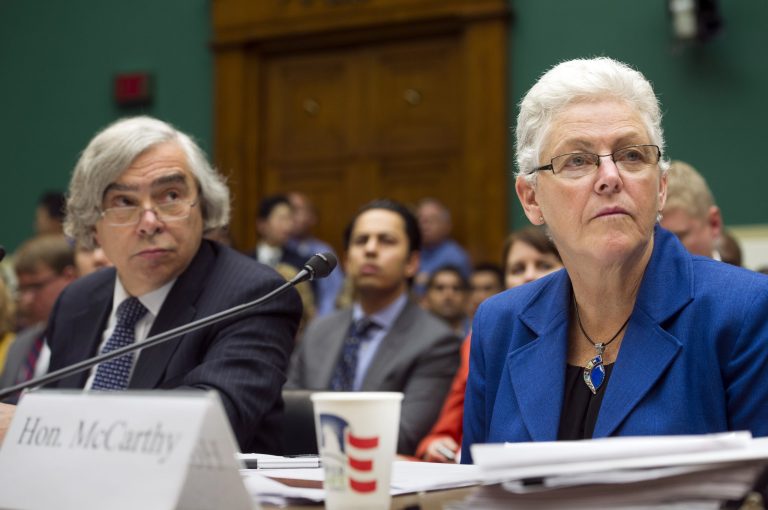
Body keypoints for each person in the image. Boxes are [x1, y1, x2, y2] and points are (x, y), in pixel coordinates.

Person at [462, 57, 768, 464]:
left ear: (660, 188)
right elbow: (475, 493)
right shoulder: (500, 325)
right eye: (577, 160)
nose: (610, 177)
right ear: (531, 199)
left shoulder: (743, 312)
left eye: (631, 156)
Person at [0, 116, 302, 451]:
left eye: (170, 195)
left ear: (202, 205)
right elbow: (55, 403)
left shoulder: (252, 295)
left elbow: (210, 423)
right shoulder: (78, 300)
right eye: (124, 202)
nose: (149, 222)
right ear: (93, 225)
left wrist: (32, 425)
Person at [287, 199, 461, 455]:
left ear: (412, 262)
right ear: (346, 261)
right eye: (361, 241)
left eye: (386, 241)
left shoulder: (436, 341)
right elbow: (285, 417)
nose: (370, 249)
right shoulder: (319, 331)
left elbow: (405, 435)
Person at [417, 227, 562, 462]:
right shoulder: (485, 337)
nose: (528, 276)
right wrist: (436, 443)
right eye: (517, 269)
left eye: (543, 265)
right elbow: (451, 423)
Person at [0, 235, 77, 393]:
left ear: (69, 277)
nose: (26, 299)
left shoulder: (88, 338)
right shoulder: (18, 344)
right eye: (22, 289)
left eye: (35, 287)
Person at [286, 191, 345, 317]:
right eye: (288, 210)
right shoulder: (279, 249)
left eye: (297, 210)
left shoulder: (323, 250)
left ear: (312, 217)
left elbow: (333, 293)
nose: (291, 215)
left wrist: (319, 325)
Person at [660, 160, 723, 259]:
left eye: (677, 238)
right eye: (654, 241)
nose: (661, 252)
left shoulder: (742, 274)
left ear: (714, 223)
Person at [414, 198, 471, 295]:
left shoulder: (455, 257)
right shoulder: (410, 250)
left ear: (446, 226)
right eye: (421, 220)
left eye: (431, 220)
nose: (424, 226)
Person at [422, 265, 471, 336]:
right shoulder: (414, 333)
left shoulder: (476, 334)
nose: (448, 296)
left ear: (466, 297)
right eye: (440, 288)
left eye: (456, 288)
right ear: (426, 297)